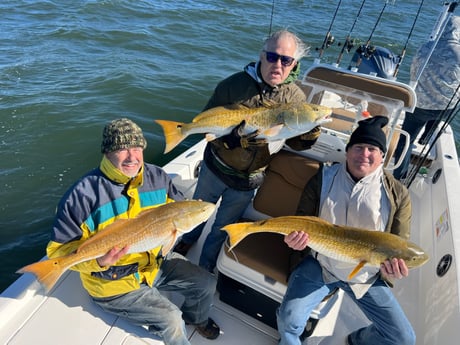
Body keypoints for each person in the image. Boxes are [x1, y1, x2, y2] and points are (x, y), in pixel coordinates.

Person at [46, 118, 220, 345]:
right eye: (122, 149)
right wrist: (99, 261)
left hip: (154, 264)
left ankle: (196, 318)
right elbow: (59, 253)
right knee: (172, 319)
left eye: (137, 148)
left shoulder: (157, 176)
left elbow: (176, 207)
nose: (132, 157)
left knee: (206, 283)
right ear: (107, 152)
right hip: (113, 281)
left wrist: (191, 207)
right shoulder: (81, 196)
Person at [174, 29, 320, 272]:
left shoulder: (296, 98)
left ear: (294, 64)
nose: (278, 65)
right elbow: (205, 124)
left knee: (224, 225)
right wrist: (227, 140)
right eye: (273, 57)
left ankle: (206, 267)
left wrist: (310, 132)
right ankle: (187, 241)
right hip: (215, 168)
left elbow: (295, 143)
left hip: (248, 180)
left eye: (286, 60)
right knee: (195, 211)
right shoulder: (233, 86)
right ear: (262, 56)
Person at [277, 116, 415, 345]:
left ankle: (360, 339)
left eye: (372, 149)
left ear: (382, 157)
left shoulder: (398, 194)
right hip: (320, 264)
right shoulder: (322, 178)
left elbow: (398, 243)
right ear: (347, 151)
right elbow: (300, 221)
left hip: (366, 275)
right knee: (287, 320)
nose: (364, 154)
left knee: (404, 338)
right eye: (358, 147)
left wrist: (391, 271)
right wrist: (295, 241)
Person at [393, 15, 460, 180]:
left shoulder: (426, 47)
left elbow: (414, 71)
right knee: (436, 120)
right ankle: (426, 138)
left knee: (406, 139)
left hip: (420, 106)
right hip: (446, 107)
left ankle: (399, 175)